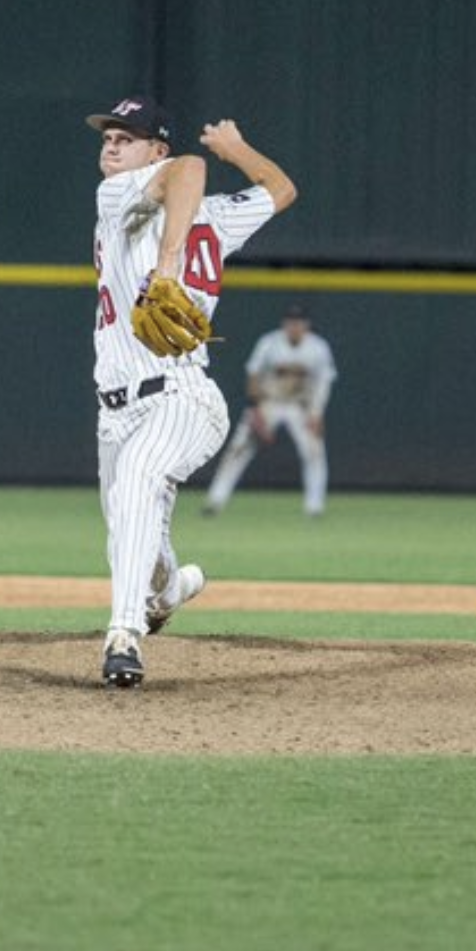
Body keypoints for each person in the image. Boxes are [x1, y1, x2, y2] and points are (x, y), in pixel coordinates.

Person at [87, 95, 297, 688]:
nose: (111, 146)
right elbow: (272, 190)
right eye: (108, 137)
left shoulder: (186, 199)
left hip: (181, 396)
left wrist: (169, 260)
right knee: (135, 532)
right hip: (115, 410)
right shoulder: (117, 195)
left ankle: (123, 637)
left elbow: (196, 169)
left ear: (156, 150)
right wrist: (239, 157)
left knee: (138, 485)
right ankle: (168, 591)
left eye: (126, 138)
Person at [203, 305, 339, 519]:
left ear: (307, 325)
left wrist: (316, 413)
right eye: (291, 321)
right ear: (284, 324)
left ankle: (315, 507)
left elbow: (323, 382)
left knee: (314, 451)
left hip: (300, 407)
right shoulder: (270, 343)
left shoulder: (318, 348)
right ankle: (215, 501)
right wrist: (255, 409)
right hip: (268, 404)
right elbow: (253, 375)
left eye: (299, 322)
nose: (295, 326)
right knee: (239, 448)